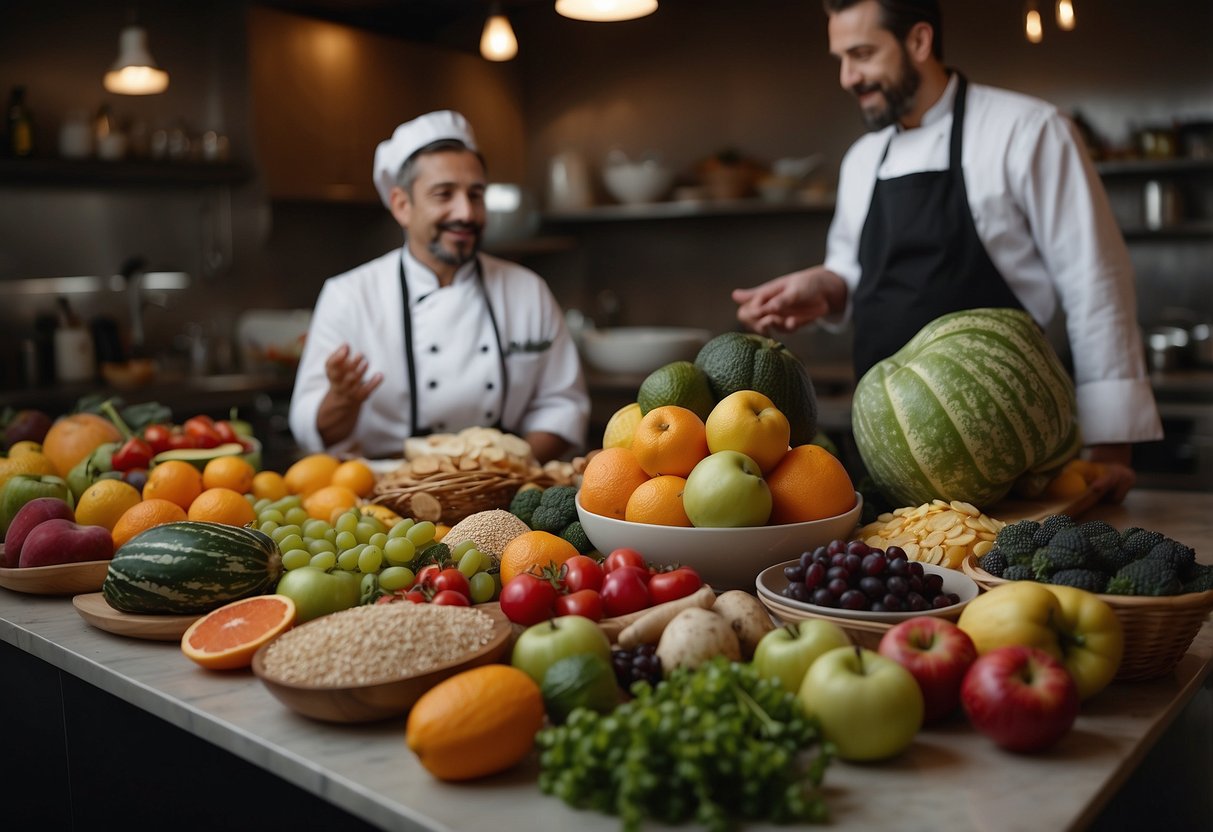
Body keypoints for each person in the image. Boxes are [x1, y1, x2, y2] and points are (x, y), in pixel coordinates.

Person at [732, 0, 1161, 502]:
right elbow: (851, 268)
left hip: (1009, 453)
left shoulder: (1028, 131)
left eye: (863, 54)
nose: (849, 76)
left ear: (918, 41)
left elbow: (1096, 282)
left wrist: (1112, 445)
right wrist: (825, 289)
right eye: (841, 59)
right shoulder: (863, 159)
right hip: (890, 459)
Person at [289, 110, 590, 463]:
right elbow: (312, 429)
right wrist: (342, 400)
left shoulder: (527, 291)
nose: (465, 212)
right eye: (444, 194)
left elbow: (562, 405)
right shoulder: (349, 296)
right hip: (385, 494)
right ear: (402, 205)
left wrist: (508, 470)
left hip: (502, 490)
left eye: (476, 195)